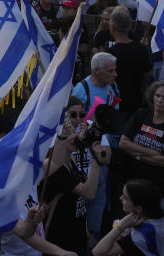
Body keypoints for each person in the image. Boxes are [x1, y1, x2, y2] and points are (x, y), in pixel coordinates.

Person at [40, 107, 111, 255]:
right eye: (68, 135)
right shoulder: (56, 169)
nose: (74, 137)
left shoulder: (71, 160)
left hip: (76, 231)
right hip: (60, 235)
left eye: (74, 133)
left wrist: (84, 227)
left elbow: (79, 200)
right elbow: (88, 192)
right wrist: (97, 162)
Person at [118, 81, 164, 215]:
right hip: (132, 186)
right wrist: (153, 152)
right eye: (157, 96)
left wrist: (136, 153)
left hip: (162, 190)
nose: (160, 100)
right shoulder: (141, 115)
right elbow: (123, 144)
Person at [92, 179, 164, 256]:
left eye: (126, 198)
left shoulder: (139, 237)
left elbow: (97, 252)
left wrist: (120, 226)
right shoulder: (156, 219)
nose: (120, 198)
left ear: (139, 209)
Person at [104, 9, 152, 116]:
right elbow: (148, 74)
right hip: (137, 100)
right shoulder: (141, 49)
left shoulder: (109, 53)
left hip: (115, 104)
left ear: (112, 28)